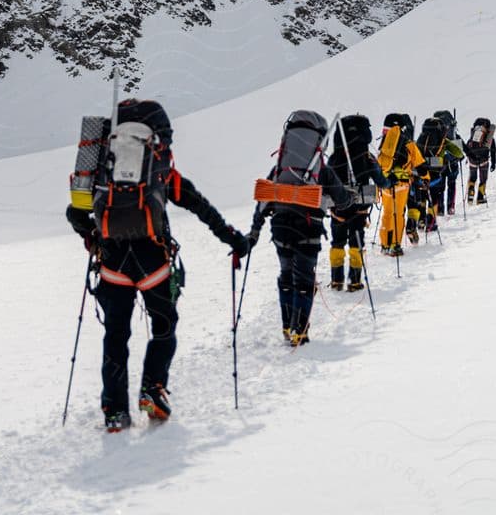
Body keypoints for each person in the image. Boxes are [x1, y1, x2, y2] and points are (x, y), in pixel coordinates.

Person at [65, 98, 251, 432]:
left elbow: (74, 212)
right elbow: (200, 206)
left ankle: (114, 410)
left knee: (115, 336)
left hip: (112, 263)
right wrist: (235, 240)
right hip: (154, 261)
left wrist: (92, 237)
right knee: (164, 326)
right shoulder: (161, 168)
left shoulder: (100, 168)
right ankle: (153, 388)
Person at [248, 110, 355, 347]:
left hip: (280, 227)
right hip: (308, 228)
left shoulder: (280, 169)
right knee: (305, 279)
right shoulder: (322, 170)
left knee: (286, 274)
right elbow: (343, 200)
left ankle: (288, 327)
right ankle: (300, 330)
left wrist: (254, 231)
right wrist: (346, 202)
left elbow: (264, 201)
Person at [326, 114, 383, 293]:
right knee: (356, 242)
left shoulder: (334, 158)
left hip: (338, 207)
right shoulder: (367, 156)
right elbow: (381, 180)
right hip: (360, 208)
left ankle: (336, 280)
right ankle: (355, 280)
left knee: (337, 242)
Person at [375, 114, 423, 256]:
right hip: (401, 185)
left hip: (386, 185)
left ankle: (385, 244)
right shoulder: (409, 144)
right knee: (398, 214)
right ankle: (395, 245)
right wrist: (424, 178)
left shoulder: (384, 143)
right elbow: (421, 165)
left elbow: (378, 164)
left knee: (387, 214)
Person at [463, 117, 496, 204]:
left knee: (473, 178)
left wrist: (469, 157)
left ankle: (470, 195)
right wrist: (493, 163)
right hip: (484, 160)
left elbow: (467, 147)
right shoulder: (489, 137)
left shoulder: (472, 135)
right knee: (483, 179)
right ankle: (480, 198)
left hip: (472, 160)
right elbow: (493, 150)